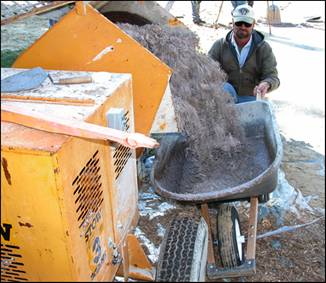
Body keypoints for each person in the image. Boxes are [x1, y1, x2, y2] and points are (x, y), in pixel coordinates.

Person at [208, 4, 280, 103]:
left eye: (247, 24)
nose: (243, 27)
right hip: (225, 99)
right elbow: (206, 70)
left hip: (252, 99)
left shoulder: (264, 48)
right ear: (232, 22)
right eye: (239, 23)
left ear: (253, 24)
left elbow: (273, 77)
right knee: (225, 87)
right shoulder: (219, 45)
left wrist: (266, 84)